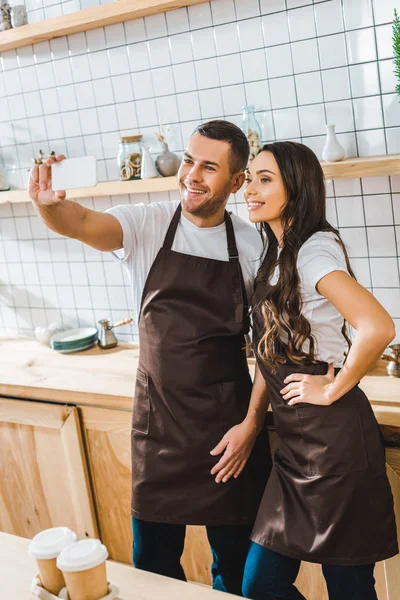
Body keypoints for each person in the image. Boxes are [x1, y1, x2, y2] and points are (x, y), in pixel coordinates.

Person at [28, 120, 272, 595]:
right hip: (158, 427)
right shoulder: (147, 223)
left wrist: (252, 426)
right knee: (152, 566)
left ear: (237, 181)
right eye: (187, 161)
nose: (191, 175)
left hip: (229, 430)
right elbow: (78, 222)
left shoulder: (253, 246)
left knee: (236, 568)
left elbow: (269, 349)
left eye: (208, 167)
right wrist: (48, 205)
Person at [241, 141, 398, 600]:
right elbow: (270, 354)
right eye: (250, 177)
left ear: (298, 186)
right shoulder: (276, 248)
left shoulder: (312, 252)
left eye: (264, 179)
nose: (250, 188)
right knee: (261, 585)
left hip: (335, 448)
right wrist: (251, 419)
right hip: (295, 450)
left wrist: (331, 391)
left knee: (348, 587)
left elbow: (378, 327)